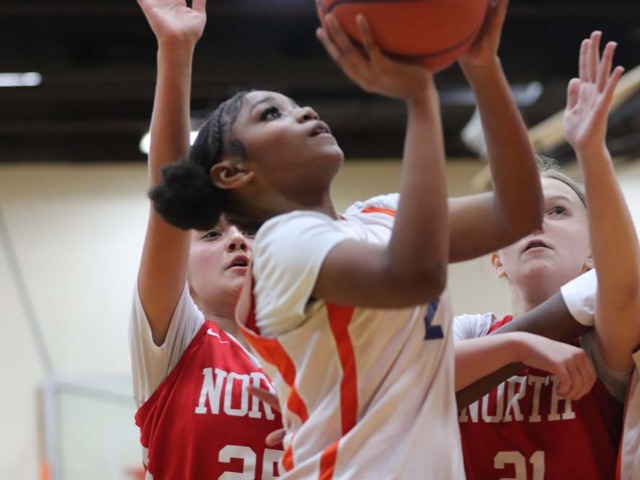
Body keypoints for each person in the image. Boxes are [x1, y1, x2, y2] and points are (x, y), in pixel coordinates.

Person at [149, 0, 550, 476]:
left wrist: (483, 67)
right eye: (272, 114)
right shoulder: (281, 249)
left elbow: (517, 212)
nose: (305, 112)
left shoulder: (382, 215)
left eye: (297, 105)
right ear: (234, 172)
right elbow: (413, 276)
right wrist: (420, 100)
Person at [455, 31, 635, 480]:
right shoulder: (469, 331)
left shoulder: (601, 345)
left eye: (557, 211)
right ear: (497, 259)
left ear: (594, 251)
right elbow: (407, 383)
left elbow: (625, 285)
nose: (537, 223)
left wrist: (591, 152)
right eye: (522, 215)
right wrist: (518, 345)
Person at [129, 0, 283, 477]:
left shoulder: (312, 353)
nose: (236, 240)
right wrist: (175, 50)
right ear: (185, 277)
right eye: (213, 234)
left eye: (249, 231)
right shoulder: (176, 342)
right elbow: (172, 192)